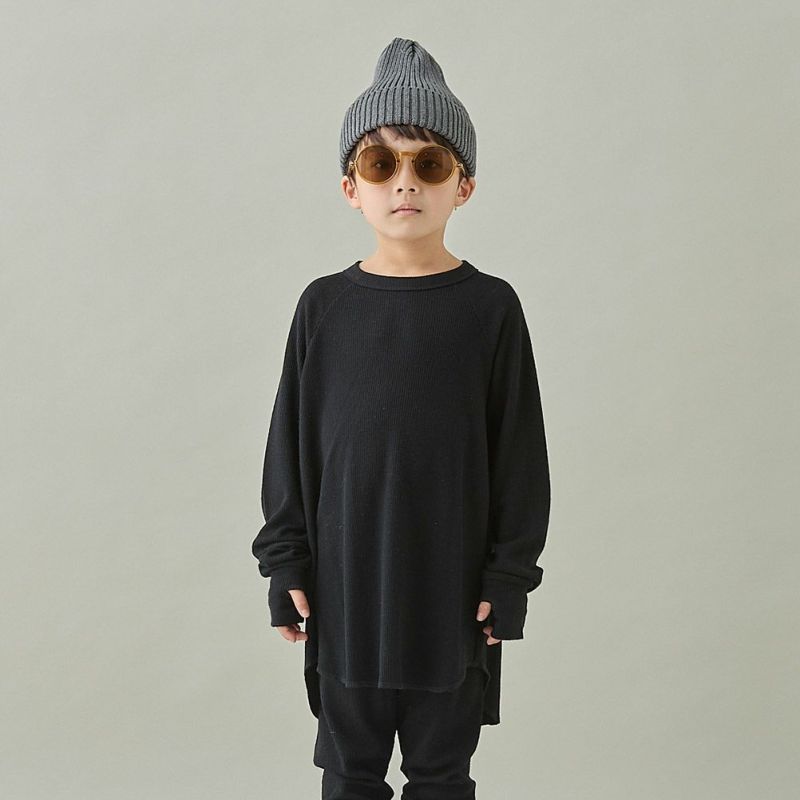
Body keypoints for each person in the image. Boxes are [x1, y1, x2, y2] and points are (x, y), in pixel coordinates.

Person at [251, 36, 551, 800]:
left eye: (430, 164)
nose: (406, 182)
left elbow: (519, 455)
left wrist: (509, 577)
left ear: (464, 185)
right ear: (351, 187)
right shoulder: (324, 307)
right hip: (346, 596)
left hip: (453, 601)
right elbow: (289, 447)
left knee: (442, 776)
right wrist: (285, 564)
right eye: (382, 164)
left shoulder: (490, 309)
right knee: (349, 775)